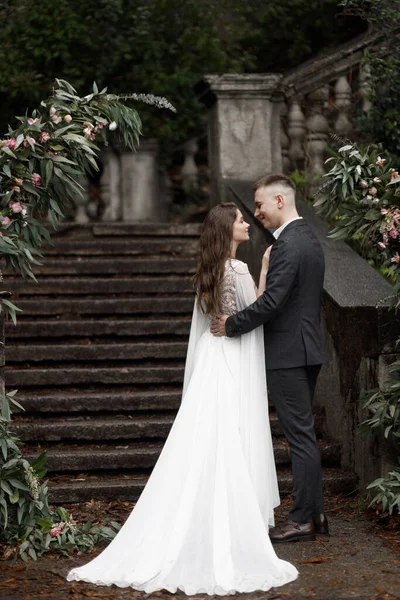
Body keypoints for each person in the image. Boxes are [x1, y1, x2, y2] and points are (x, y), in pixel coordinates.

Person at [66, 202, 298, 595]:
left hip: (213, 355)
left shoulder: (209, 270)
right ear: (227, 230)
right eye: (241, 221)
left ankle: (207, 517)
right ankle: (231, 523)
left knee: (206, 438)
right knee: (232, 434)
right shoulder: (236, 268)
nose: (247, 224)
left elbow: (220, 317)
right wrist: (262, 271)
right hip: (232, 357)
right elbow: (256, 310)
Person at [211, 174, 329, 543]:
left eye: (259, 205)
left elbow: (272, 303)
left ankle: (302, 520)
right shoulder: (307, 238)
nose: (256, 212)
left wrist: (231, 325)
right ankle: (317, 514)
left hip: (288, 353)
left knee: (300, 437)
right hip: (305, 348)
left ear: (280, 200)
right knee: (304, 435)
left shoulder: (288, 245)